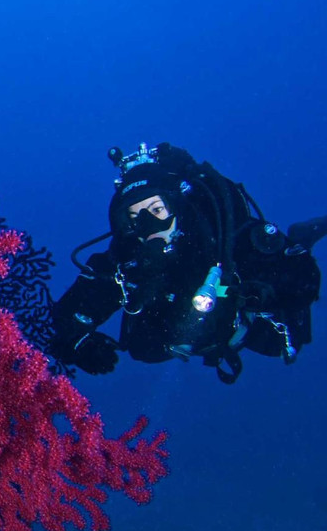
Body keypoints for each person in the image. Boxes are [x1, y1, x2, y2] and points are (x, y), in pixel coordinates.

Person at [49, 142, 324, 383]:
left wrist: (259, 292)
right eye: (135, 218)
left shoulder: (218, 236)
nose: (149, 225)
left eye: (157, 210)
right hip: (189, 337)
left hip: (234, 312)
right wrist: (79, 344)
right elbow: (66, 317)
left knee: (282, 343)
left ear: (176, 208)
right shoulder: (125, 262)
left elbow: (304, 281)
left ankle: (303, 236)